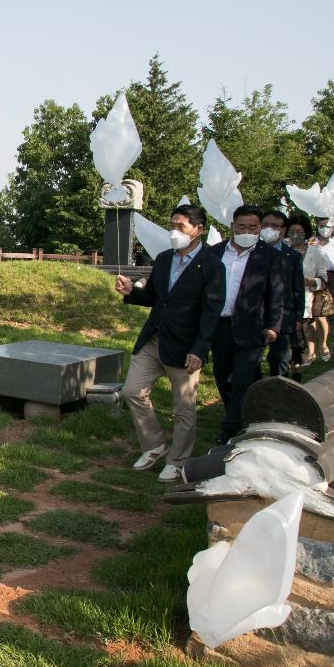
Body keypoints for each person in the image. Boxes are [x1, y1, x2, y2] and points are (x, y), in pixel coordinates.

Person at [116, 204, 225, 483]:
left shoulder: (212, 266)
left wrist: (199, 349)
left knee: (183, 409)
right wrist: (131, 292)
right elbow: (154, 297)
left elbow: (211, 312)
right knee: (132, 391)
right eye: (172, 225)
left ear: (198, 231)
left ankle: (178, 461)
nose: (174, 231)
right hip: (154, 338)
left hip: (186, 346)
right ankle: (154, 445)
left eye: (181, 226)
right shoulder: (164, 259)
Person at [208, 205, 284, 445]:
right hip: (219, 325)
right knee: (222, 375)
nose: (247, 231)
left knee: (241, 378)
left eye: (252, 227)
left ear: (259, 228)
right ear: (232, 226)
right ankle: (244, 414)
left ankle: (230, 429)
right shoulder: (215, 253)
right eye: (242, 226)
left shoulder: (269, 256)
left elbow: (277, 294)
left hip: (252, 326)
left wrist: (273, 326)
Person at [284, 214, 333, 377]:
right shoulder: (281, 250)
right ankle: (289, 368)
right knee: (285, 339)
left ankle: (297, 363)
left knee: (299, 338)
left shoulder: (315, 253)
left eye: (299, 231)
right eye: (292, 231)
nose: (295, 234)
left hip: (304, 301)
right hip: (282, 302)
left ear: (305, 232)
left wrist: (311, 282)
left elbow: (323, 278)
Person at [260, 209, 305, 378]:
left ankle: (280, 391)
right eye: (265, 225)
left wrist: (298, 318)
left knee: (279, 359)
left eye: (275, 226)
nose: (269, 229)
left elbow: (297, 288)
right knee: (251, 360)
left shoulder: (292, 256)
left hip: (283, 316)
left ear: (283, 230)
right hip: (255, 313)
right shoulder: (251, 252)